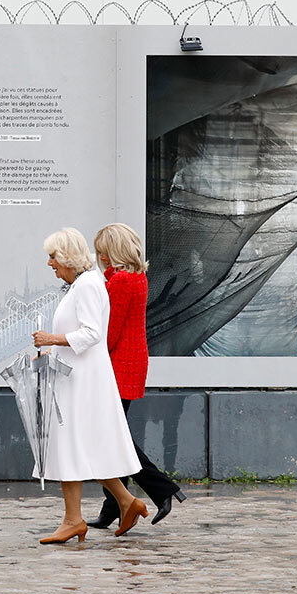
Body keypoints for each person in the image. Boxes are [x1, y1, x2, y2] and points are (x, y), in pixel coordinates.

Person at [31, 227, 144, 543]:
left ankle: (73, 520)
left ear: (66, 256)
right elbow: (82, 334)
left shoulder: (88, 286)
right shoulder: (84, 284)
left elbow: (93, 333)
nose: (50, 264)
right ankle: (124, 502)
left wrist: (52, 339)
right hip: (76, 376)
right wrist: (51, 351)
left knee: (71, 445)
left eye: (53, 257)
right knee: (84, 445)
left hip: (82, 381)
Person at [87, 223, 186, 530]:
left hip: (116, 366)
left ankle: (162, 489)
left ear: (112, 251)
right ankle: (113, 506)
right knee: (112, 437)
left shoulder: (120, 282)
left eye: (102, 249)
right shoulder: (137, 278)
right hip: (130, 363)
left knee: (113, 439)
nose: (99, 255)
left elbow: (109, 333)